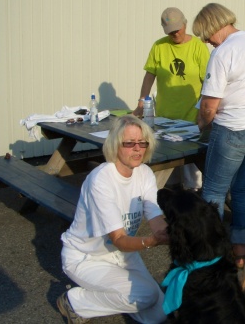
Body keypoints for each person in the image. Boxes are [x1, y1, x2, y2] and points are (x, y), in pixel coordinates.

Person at [192, 3, 245, 269]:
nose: (206, 41)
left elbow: (209, 107)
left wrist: (199, 126)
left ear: (212, 26)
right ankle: (241, 250)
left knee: (213, 192)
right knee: (243, 187)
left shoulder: (223, 52)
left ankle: (211, 255)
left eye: (205, 35)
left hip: (234, 127)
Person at [58, 115, 168, 323]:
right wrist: (151, 242)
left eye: (142, 143)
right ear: (115, 145)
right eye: (129, 143)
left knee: (161, 313)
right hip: (86, 257)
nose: (137, 149)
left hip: (124, 254)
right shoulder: (101, 179)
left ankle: (120, 297)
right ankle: (74, 301)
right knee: (146, 295)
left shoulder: (144, 173)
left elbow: (155, 217)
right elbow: (118, 238)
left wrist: (169, 234)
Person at [133, 7, 210, 191]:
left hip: (191, 116)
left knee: (192, 174)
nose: (175, 33)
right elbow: (149, 76)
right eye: (170, 31)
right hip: (165, 117)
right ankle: (171, 204)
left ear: (185, 24)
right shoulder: (159, 46)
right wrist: (141, 103)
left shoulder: (198, 46)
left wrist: (205, 112)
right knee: (168, 170)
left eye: (178, 28)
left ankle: (194, 202)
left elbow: (208, 81)